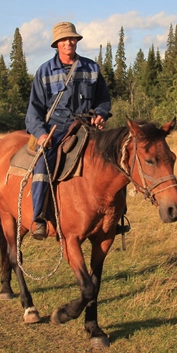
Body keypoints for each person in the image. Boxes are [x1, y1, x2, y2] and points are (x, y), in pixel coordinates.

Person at [25, 21, 111, 240]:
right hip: (56, 128)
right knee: (43, 163)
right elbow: (33, 110)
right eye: (63, 39)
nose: (68, 43)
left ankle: (114, 218)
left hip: (87, 126)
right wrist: (42, 134)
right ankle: (39, 218)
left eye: (71, 38)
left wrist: (101, 113)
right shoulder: (44, 71)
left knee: (111, 160)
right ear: (56, 44)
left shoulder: (91, 68)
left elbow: (103, 98)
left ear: (77, 41)